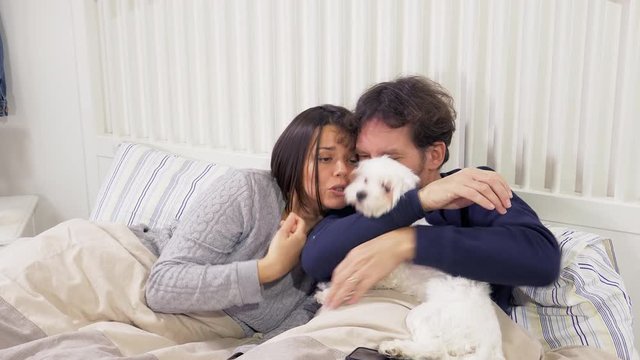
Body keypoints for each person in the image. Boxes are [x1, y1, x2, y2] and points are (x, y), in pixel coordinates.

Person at [301, 76, 561, 313]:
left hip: (452, 331)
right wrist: (418, 202)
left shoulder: (470, 189)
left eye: (390, 157)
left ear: (434, 155)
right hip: (360, 328)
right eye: (363, 157)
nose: (372, 168)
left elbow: (541, 259)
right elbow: (315, 259)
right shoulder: (367, 195)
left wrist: (408, 242)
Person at [139, 104, 358, 340]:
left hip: (215, 332)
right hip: (138, 265)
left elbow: (304, 316)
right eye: (325, 158)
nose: (342, 170)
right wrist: (269, 268)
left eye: (353, 160)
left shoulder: (343, 233)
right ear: (293, 158)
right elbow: (161, 288)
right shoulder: (250, 191)